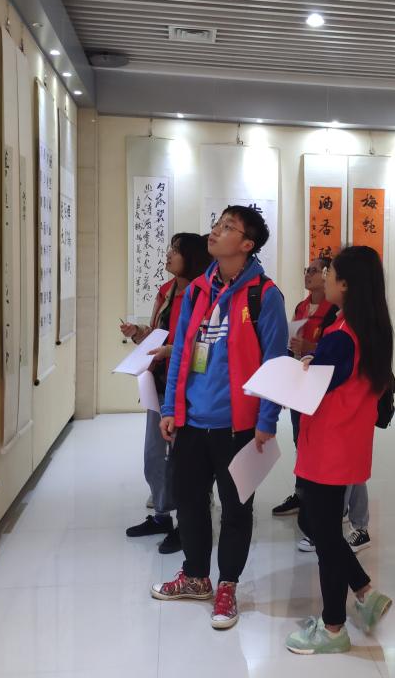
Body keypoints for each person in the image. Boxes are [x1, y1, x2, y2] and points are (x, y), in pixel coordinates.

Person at [150, 206, 287, 631]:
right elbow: (182, 353)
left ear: (247, 244)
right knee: (190, 503)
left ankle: (227, 584)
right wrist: (171, 408)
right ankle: (196, 576)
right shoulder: (197, 291)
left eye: (228, 227)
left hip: (237, 427)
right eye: (217, 224)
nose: (215, 231)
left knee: (236, 509)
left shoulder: (264, 295)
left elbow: (275, 362)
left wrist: (267, 420)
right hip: (193, 422)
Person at [284, 246, 394, 656]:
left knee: (324, 536)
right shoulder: (366, 328)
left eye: (329, 273)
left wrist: (291, 372)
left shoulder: (342, 336)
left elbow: (313, 387)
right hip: (346, 444)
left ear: (345, 284)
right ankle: (364, 592)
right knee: (322, 528)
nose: (323, 279)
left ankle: (333, 629)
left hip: (327, 447)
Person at [121, 233, 212, 555]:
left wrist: (171, 351)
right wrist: (138, 334)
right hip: (159, 383)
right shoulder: (166, 291)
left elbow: (206, 346)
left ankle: (185, 525)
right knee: (154, 455)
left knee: (183, 460)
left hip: (190, 387)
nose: (169, 254)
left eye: (176, 250)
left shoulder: (204, 294)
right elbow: (156, 336)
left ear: (192, 257)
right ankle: (161, 516)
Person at [272, 255, 338, 518]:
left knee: (322, 442)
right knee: (300, 438)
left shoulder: (334, 309)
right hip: (300, 380)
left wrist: (311, 347)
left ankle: (333, 501)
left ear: (327, 275)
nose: (307, 274)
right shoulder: (300, 306)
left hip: (323, 383)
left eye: (313, 270)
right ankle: (302, 494)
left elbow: (338, 349)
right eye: (306, 270)